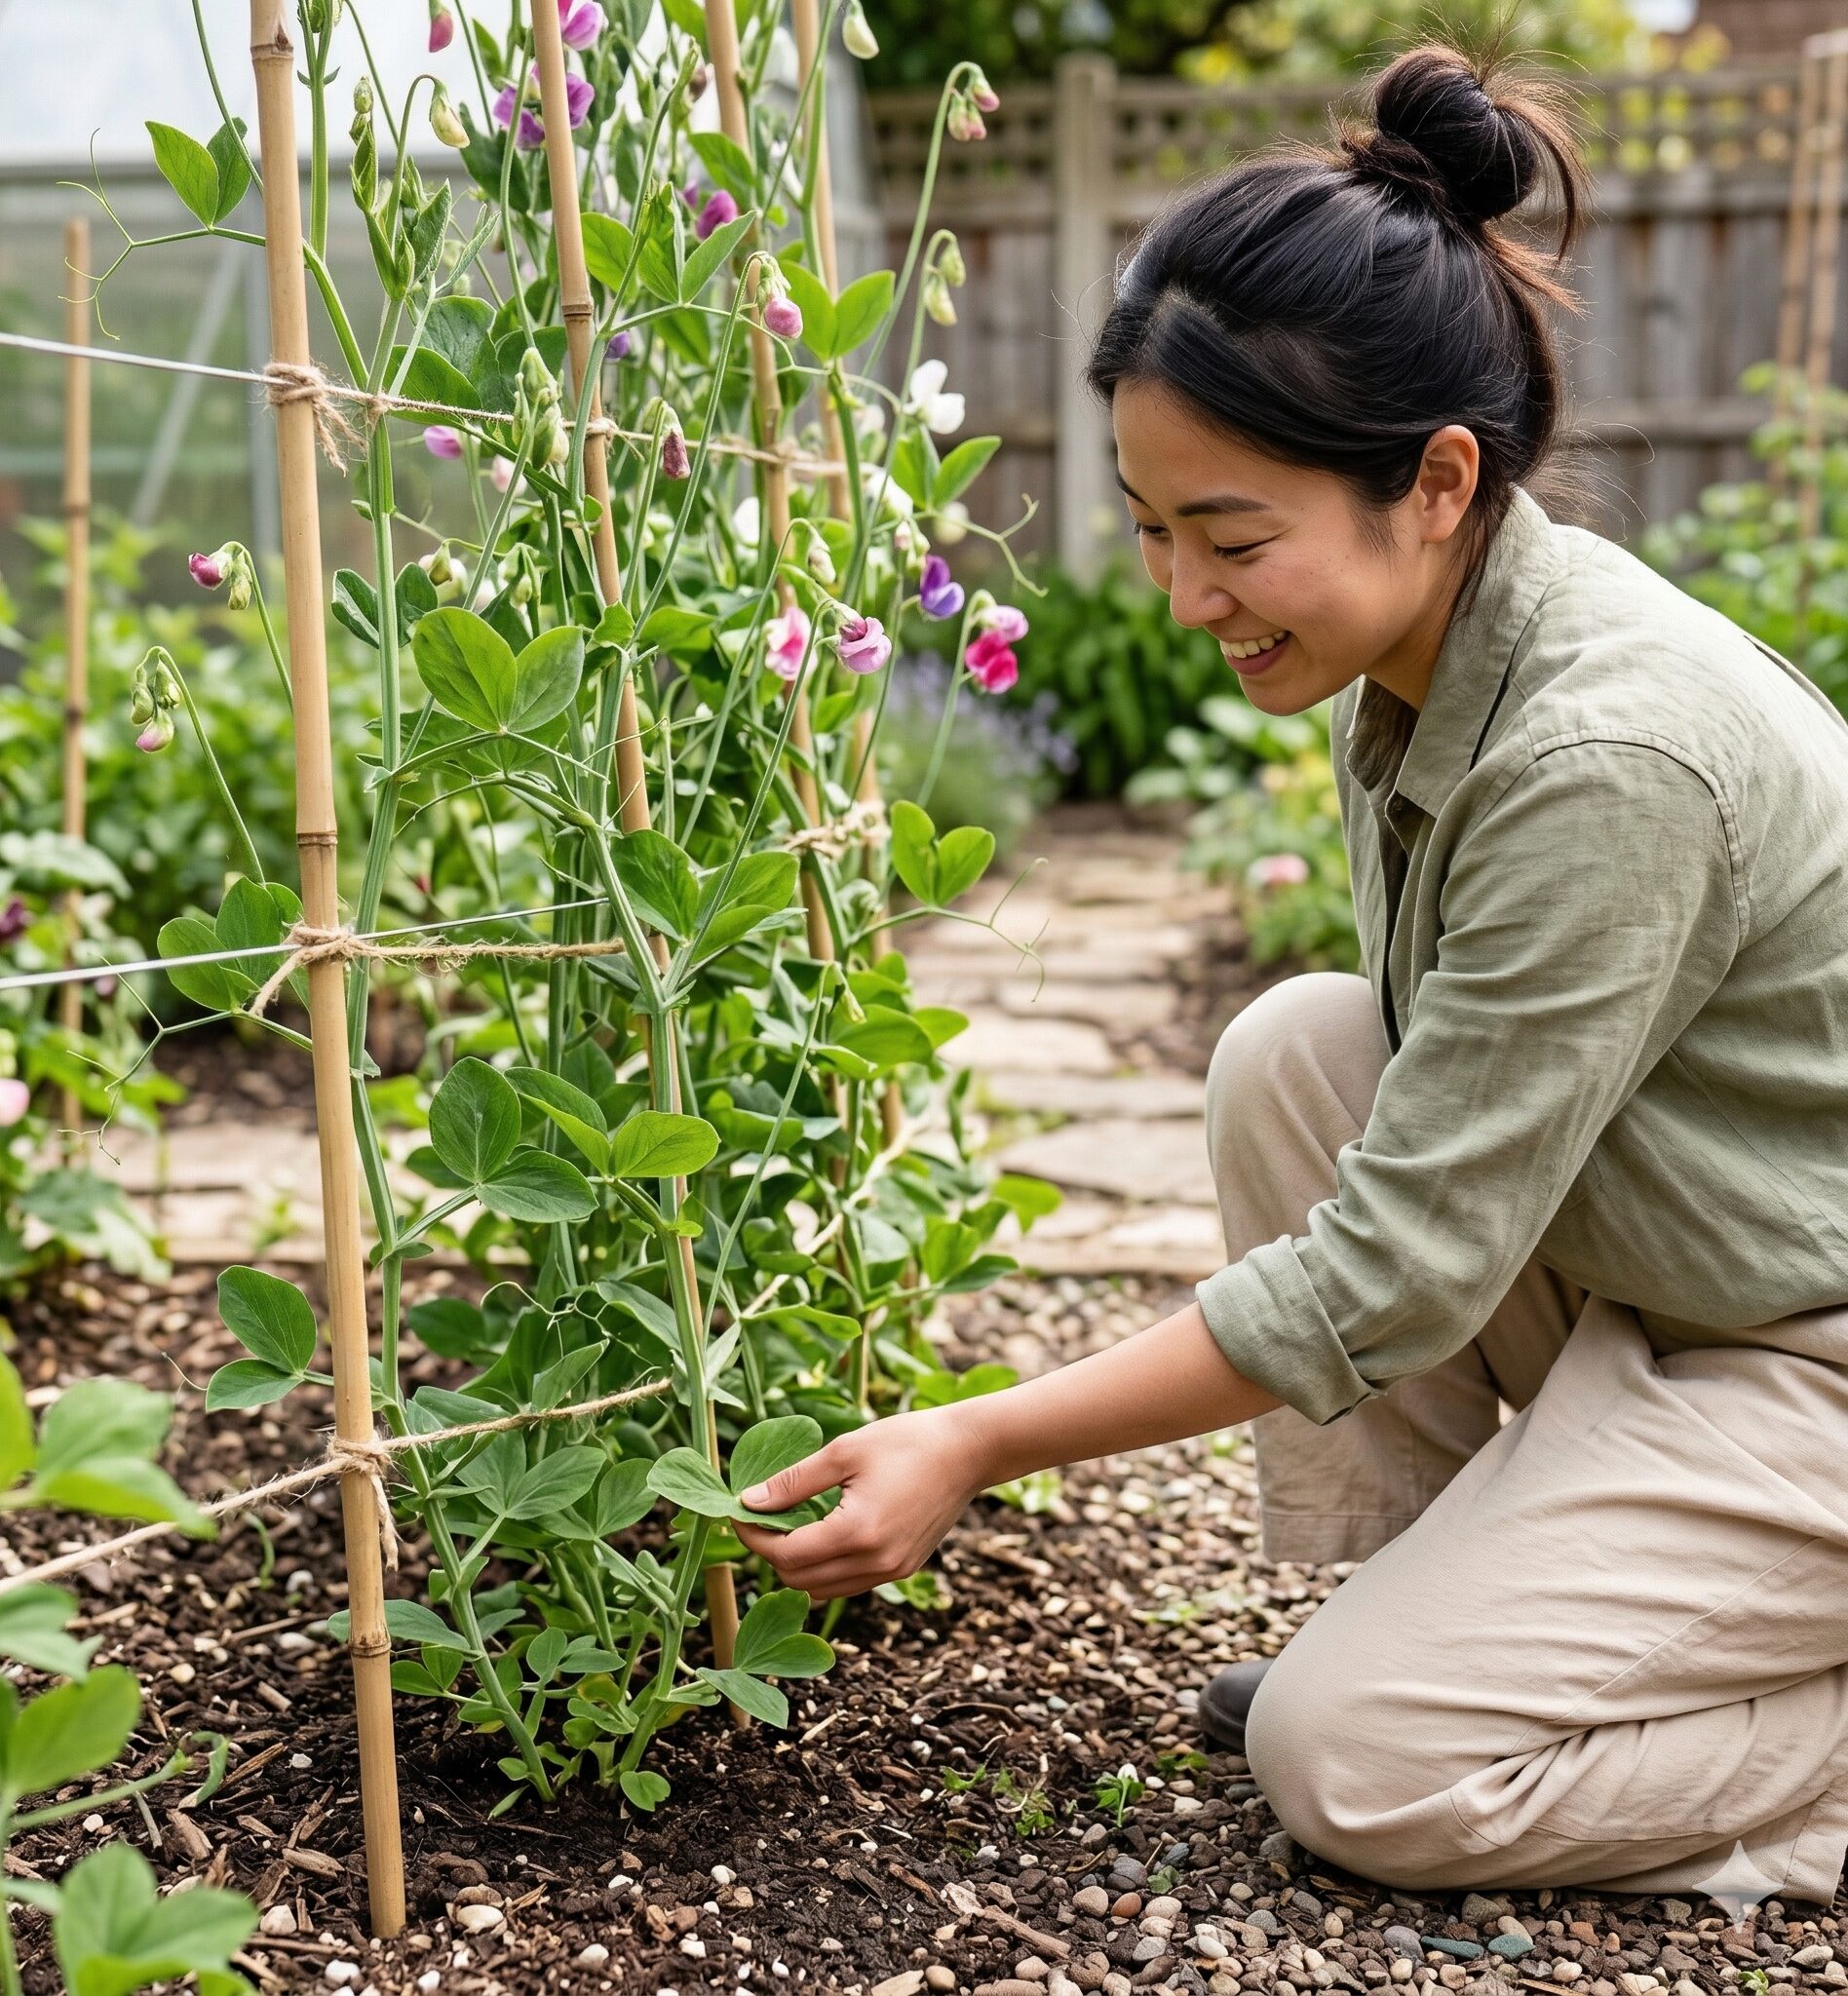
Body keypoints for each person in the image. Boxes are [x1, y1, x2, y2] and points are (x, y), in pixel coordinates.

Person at [734, 40, 1848, 1902]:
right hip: (1707, 1272)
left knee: (1359, 1770)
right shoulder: (1434, 660)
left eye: (1231, 537)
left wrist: (981, 1435)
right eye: (1158, 530)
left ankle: (1483, 1706)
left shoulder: (1605, 760)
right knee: (1302, 1053)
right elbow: (1432, 1141)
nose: (1183, 596)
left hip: (1807, 1350)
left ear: (1436, 478)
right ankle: (1442, 1618)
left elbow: (1398, 1268)